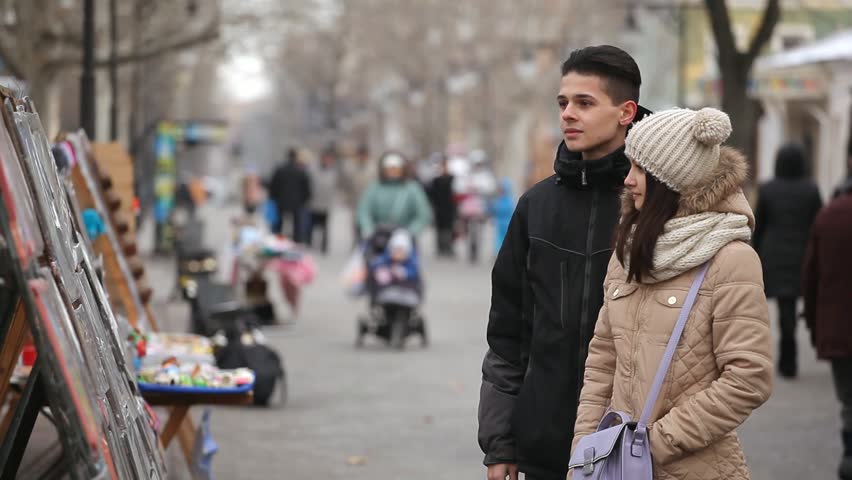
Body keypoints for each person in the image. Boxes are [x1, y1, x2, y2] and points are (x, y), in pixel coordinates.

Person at [478, 45, 650, 480]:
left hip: (635, 446)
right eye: (563, 103)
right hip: (546, 449)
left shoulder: (658, 205)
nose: (568, 114)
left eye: (584, 103)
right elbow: (507, 336)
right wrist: (500, 442)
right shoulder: (536, 206)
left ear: (625, 111)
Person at [572, 107, 773, 479]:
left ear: (672, 180)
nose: (628, 180)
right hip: (616, 466)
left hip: (696, 467)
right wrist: (584, 453)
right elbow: (602, 361)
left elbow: (749, 377)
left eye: (640, 169)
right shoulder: (628, 253)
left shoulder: (731, 259)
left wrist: (656, 442)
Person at [752, 143, 822, 378]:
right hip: (802, 254)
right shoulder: (811, 189)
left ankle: (786, 360)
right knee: (797, 303)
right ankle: (791, 355)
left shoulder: (769, 189)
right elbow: (818, 224)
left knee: (785, 307)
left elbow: (759, 225)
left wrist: (756, 254)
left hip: (774, 255)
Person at [802, 179, 852, 480]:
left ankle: (849, 450)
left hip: (838, 327)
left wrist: (811, 321)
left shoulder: (828, 216)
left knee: (848, 396)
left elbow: (810, 275)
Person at [357, 151, 433, 240]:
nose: (392, 171)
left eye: (396, 168)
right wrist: (368, 228)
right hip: (378, 236)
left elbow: (423, 213)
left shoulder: (412, 188)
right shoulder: (374, 187)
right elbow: (364, 210)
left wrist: (411, 232)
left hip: (405, 237)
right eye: (389, 168)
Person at [269, 147, 311, 242]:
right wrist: (304, 200)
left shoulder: (280, 169)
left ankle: (277, 240)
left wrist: (274, 198)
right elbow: (306, 188)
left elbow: (273, 185)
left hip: (281, 201)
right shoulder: (300, 171)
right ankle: (296, 242)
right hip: (297, 203)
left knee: (278, 224)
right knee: (297, 226)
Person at [341, 143, 375, 244]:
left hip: (370, 203)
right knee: (356, 225)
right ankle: (356, 244)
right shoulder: (351, 168)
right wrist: (347, 198)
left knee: (368, 224)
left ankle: (367, 243)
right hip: (355, 201)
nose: (362, 157)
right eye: (360, 155)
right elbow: (346, 185)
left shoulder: (372, 168)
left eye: (364, 155)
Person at [308, 147, 338, 255]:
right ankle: (310, 245)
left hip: (326, 204)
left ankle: (324, 247)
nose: (327, 161)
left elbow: (336, 187)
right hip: (314, 203)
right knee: (312, 226)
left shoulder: (333, 172)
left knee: (325, 227)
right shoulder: (313, 170)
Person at [427, 154, 457, 257]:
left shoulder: (452, 178)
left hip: (449, 208)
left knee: (449, 229)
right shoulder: (436, 180)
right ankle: (440, 248)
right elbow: (431, 193)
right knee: (439, 229)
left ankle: (448, 247)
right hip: (439, 208)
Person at [489, 177, 514, 256]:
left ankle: (500, 252)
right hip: (505, 222)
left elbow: (495, 209)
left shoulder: (499, 200)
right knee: (502, 238)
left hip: (501, 222)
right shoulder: (510, 200)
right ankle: (503, 253)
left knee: (500, 239)